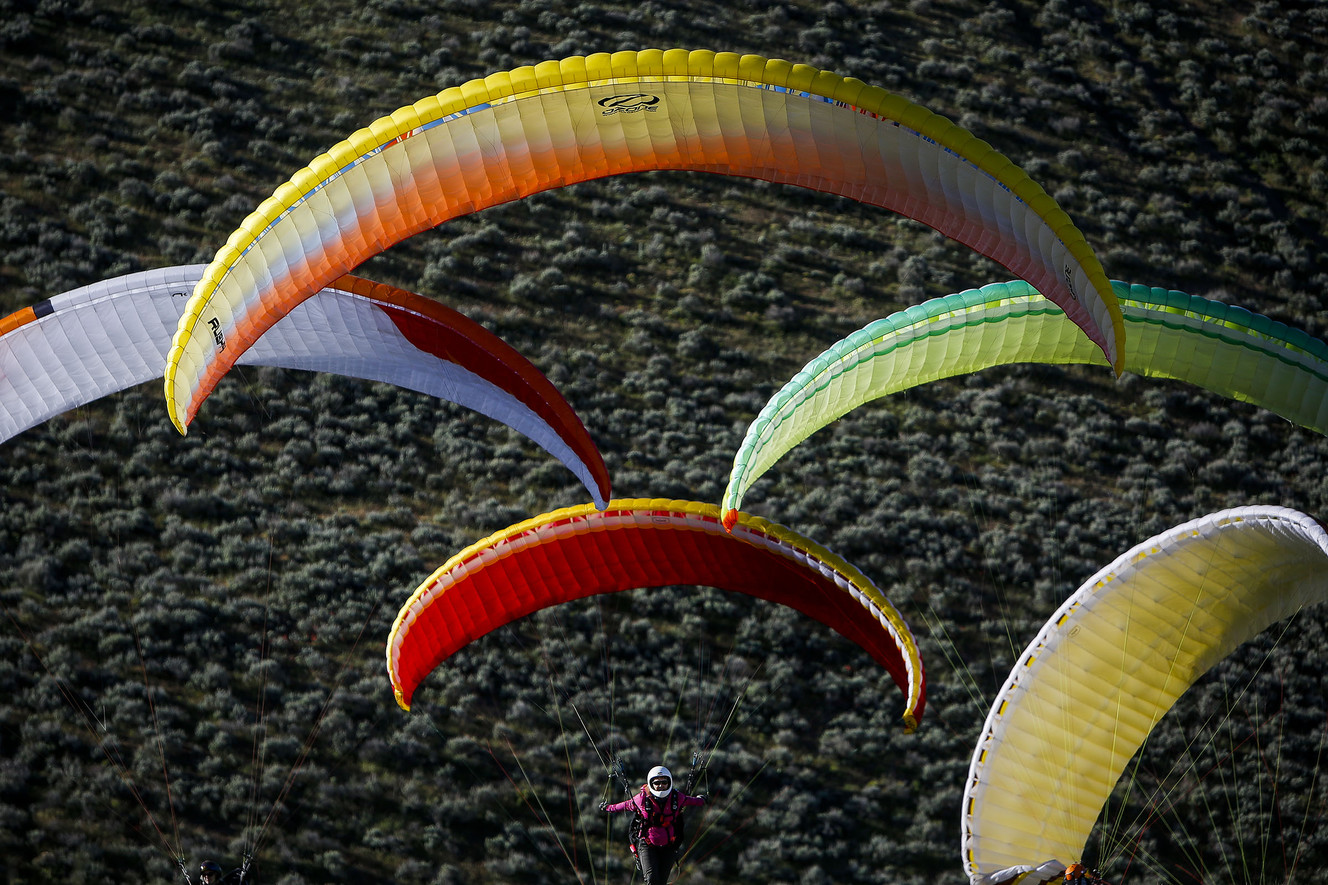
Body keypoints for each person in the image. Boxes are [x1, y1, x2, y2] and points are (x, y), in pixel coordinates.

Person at [599, 765, 707, 885]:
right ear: (651, 783)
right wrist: (608, 807)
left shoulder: (677, 798)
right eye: (657, 783)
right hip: (647, 844)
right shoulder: (641, 799)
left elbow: (691, 800)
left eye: (664, 782)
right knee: (652, 879)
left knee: (661, 881)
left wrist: (702, 799)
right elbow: (624, 805)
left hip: (668, 845)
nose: (660, 786)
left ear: (669, 782)